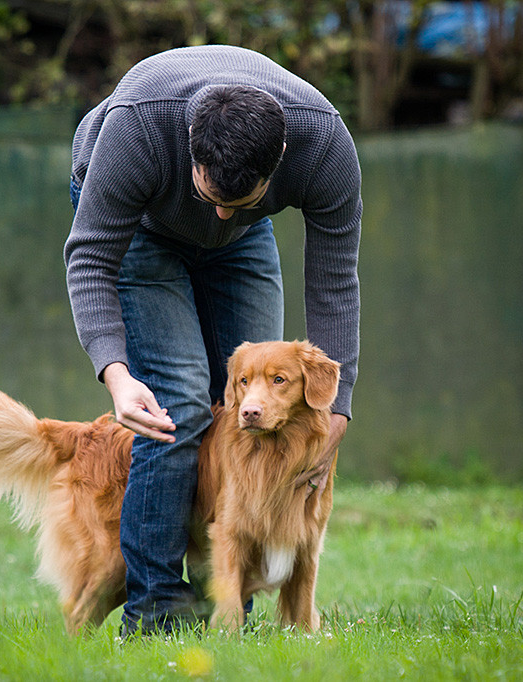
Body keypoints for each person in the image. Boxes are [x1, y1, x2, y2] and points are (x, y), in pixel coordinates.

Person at [64, 44, 361, 635]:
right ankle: (154, 615)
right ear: (192, 147)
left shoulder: (324, 146)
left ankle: (227, 620)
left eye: (239, 201)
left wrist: (339, 411)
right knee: (178, 403)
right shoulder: (138, 131)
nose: (219, 215)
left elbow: (334, 283)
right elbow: (90, 257)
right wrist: (117, 375)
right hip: (141, 224)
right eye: (211, 197)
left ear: (279, 158)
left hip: (246, 242)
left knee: (249, 402)